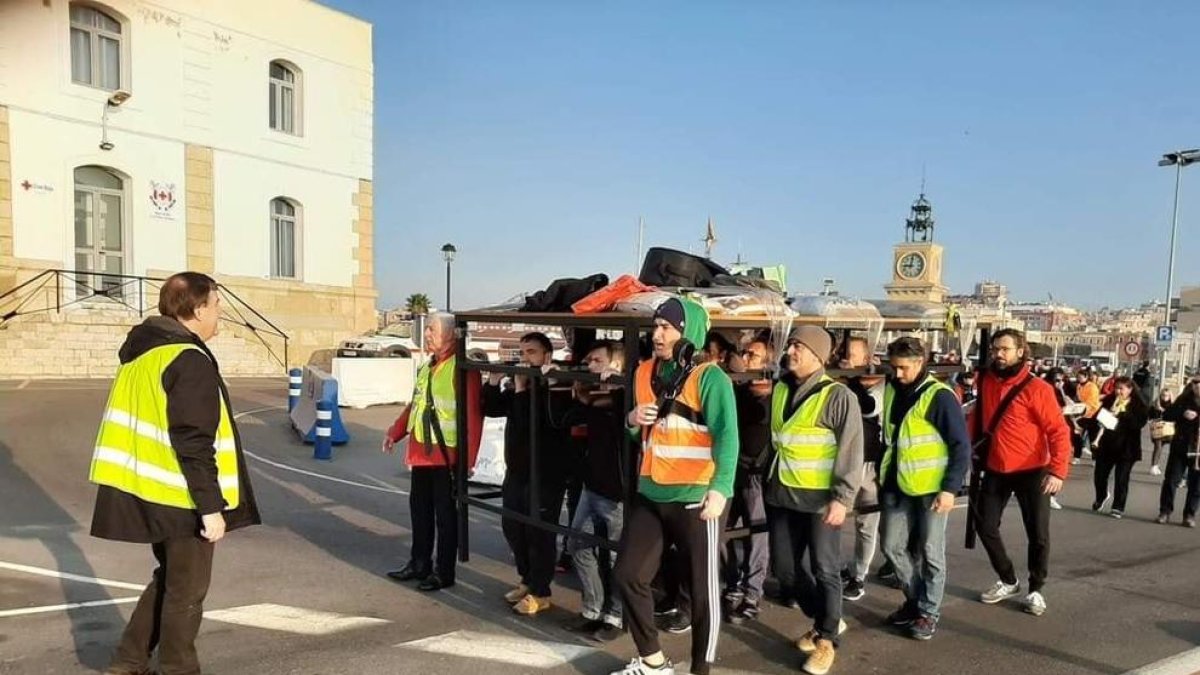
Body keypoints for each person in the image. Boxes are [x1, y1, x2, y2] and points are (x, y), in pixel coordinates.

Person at [90, 272, 261, 675]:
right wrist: (210, 507)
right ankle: (177, 668)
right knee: (186, 592)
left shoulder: (144, 353)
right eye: (217, 305)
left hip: (148, 489)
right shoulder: (189, 358)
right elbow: (193, 439)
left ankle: (128, 660)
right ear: (198, 309)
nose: (220, 314)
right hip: (181, 495)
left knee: (168, 579)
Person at [611, 297, 738, 675]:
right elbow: (641, 434)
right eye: (656, 326)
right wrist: (633, 419)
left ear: (689, 333)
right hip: (652, 493)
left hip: (697, 497)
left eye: (667, 327)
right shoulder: (642, 372)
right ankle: (653, 662)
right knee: (629, 575)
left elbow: (727, 435)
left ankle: (701, 670)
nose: (657, 333)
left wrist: (721, 487)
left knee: (702, 594)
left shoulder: (710, 377)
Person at [765, 326, 864, 675]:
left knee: (825, 569)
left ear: (818, 356)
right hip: (781, 495)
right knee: (785, 572)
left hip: (821, 501)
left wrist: (843, 497)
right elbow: (776, 440)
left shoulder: (838, 396)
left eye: (798, 346)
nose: (790, 351)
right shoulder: (779, 389)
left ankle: (825, 641)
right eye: (790, 344)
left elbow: (851, 451)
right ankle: (828, 619)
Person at [970, 329, 1071, 617]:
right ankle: (1008, 579)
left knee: (1037, 533)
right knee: (985, 526)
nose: (998, 355)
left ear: (1020, 351)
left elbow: (1058, 431)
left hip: (1033, 470)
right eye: (995, 350)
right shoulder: (987, 380)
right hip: (995, 468)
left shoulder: (1038, 389)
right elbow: (979, 417)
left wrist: (1058, 471)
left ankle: (1036, 588)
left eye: (1004, 349)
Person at [878, 337, 971, 640]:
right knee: (892, 547)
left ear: (920, 363)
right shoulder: (893, 389)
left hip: (931, 488)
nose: (898, 374)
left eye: (903, 368)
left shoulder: (939, 397)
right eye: (894, 368)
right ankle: (916, 602)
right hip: (897, 484)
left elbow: (960, 446)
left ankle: (928, 612)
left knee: (932, 553)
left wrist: (950, 489)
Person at [383, 312, 483, 592]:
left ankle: (443, 572)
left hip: (445, 456)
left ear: (450, 334)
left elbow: (473, 417)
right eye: (426, 329)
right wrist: (395, 431)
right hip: (422, 454)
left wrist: (468, 461)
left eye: (431, 330)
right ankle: (419, 563)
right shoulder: (428, 366)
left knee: (445, 517)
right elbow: (416, 404)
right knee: (420, 512)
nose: (426, 334)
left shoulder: (463, 369)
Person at [482, 332, 572, 615]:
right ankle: (527, 579)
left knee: (539, 532)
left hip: (546, 472)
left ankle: (541, 590)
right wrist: (494, 382)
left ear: (547, 355)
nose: (525, 358)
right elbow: (491, 408)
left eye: (531, 352)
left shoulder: (554, 385)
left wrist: (521, 390)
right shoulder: (519, 384)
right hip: (517, 470)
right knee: (513, 526)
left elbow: (534, 420)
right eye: (522, 353)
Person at [564, 340, 628, 641]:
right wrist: (580, 391)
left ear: (616, 365)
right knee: (578, 546)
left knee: (616, 558)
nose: (591, 367)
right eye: (589, 361)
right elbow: (569, 418)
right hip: (592, 487)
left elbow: (621, 413)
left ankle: (615, 617)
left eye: (597, 361)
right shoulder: (593, 399)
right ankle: (593, 610)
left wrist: (613, 386)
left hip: (617, 494)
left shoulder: (625, 398)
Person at [722, 335, 775, 624]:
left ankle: (752, 594)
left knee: (757, 536)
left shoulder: (775, 396)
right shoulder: (738, 390)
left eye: (752, 355)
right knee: (722, 531)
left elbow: (760, 413)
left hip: (758, 474)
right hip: (733, 471)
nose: (745, 358)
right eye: (744, 352)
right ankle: (732, 585)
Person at [838, 336, 884, 603]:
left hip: (870, 462)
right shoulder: (838, 381)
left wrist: (850, 379)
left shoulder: (880, 383)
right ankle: (839, 568)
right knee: (834, 517)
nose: (846, 360)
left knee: (867, 523)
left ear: (867, 359)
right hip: (845, 461)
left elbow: (869, 407)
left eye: (852, 355)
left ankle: (859, 575)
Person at [1092, 377, 1148, 519]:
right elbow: (1097, 417)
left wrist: (1123, 413)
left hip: (1127, 447)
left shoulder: (1138, 405)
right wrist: (1102, 417)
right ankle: (1101, 496)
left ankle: (1118, 506)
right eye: (1117, 388)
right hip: (1107, 445)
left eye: (1121, 389)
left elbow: (1139, 424)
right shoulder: (1109, 401)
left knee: (1121, 478)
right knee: (1100, 475)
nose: (1118, 391)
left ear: (1130, 390)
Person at [1157, 378, 1200, 528]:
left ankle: (1189, 514)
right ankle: (1165, 511)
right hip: (1181, 445)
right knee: (1171, 480)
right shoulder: (1184, 398)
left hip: (1198, 448)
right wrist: (1183, 413)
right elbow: (1168, 415)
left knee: (1196, 485)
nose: (1198, 386)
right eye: (1196, 383)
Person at [1149, 388, 1175, 476]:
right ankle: (1154, 466)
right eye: (1163, 395)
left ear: (1170, 396)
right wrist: (1158, 412)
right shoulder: (1156, 404)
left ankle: (1157, 465)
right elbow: (1151, 417)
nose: (1165, 397)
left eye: (1167, 395)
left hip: (1168, 430)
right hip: (1158, 429)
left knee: (1164, 447)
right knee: (1158, 447)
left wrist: (1166, 412)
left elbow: (1173, 417)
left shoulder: (1172, 405)